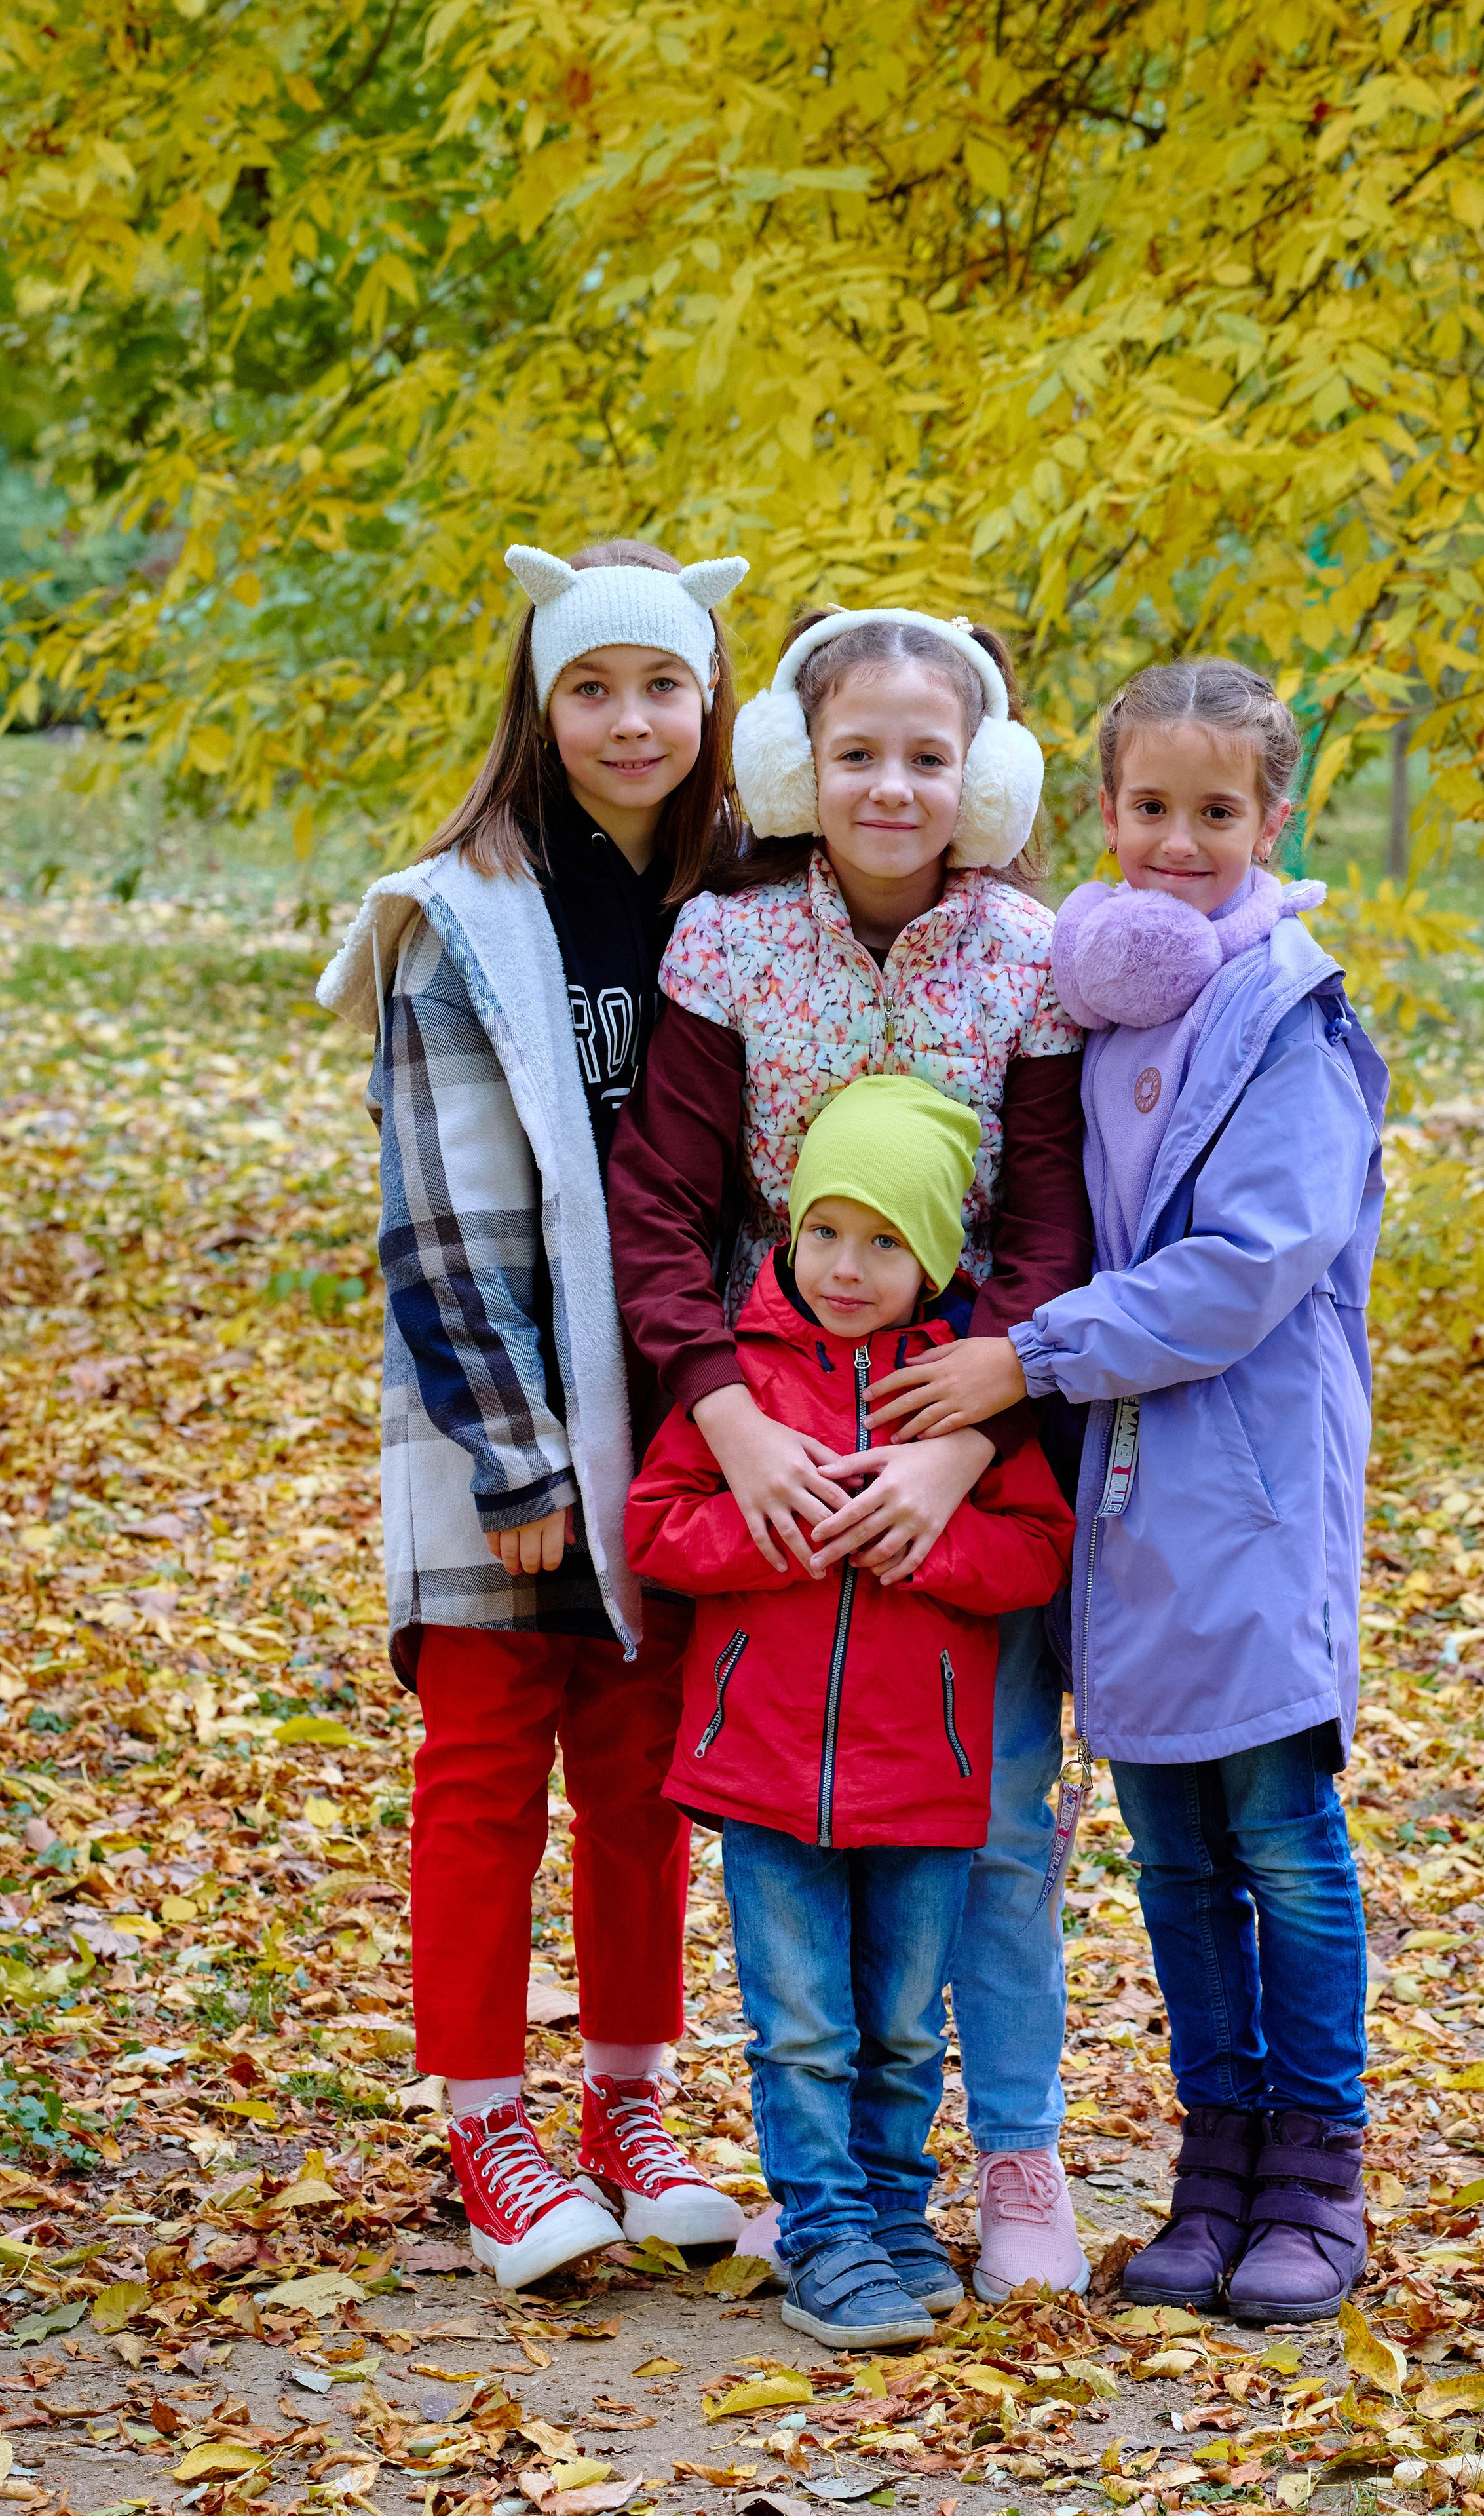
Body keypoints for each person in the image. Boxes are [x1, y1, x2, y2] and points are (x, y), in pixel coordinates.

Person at [608, 605, 1096, 2300]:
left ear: (986, 778)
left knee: (1001, 1822)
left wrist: (974, 1434)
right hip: (775, 1407)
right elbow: (663, 1208)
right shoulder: (728, 947)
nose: (892, 786)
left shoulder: (1035, 953)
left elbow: (1046, 1213)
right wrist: (725, 1419)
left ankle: (1016, 2153)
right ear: (792, 771)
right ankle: (829, 2189)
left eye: (928, 756)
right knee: (795, 1824)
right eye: (856, 753)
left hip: (974, 1414)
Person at [316, 537, 754, 2287]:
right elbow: (434, 1209)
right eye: (592, 685)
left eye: (663, 683)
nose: (630, 719)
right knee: (487, 1769)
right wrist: (515, 1446)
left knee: (644, 1780)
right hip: (500, 1417)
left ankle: (627, 2106)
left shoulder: (737, 904)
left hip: (682, 1418)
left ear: (711, 700)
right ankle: (487, 2117)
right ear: (540, 701)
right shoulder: (460, 914)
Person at [964, 659, 1388, 2321]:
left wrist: (1034, 1356)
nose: (1177, 843)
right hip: (1122, 1509)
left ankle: (1314, 2173)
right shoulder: (1103, 1000)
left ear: (1269, 821)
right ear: (1104, 815)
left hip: (1252, 1492)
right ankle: (1211, 2171)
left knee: (1280, 1838)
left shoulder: (1287, 1020)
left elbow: (1246, 1266)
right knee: (1170, 1856)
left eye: (1216, 813)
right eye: (1149, 808)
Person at [624, 1076, 1076, 2345]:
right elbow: (657, 1529)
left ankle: (888, 2216)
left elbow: (1034, 1547)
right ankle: (822, 2234)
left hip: (924, 1772)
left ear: (932, 1255)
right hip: (765, 1771)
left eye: (884, 1241)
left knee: (897, 2022)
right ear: (788, 1226)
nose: (845, 1264)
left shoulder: (957, 1392)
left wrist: (922, 1544)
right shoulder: (742, 1380)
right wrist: (781, 1533)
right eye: (824, 1229)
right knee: (805, 2023)